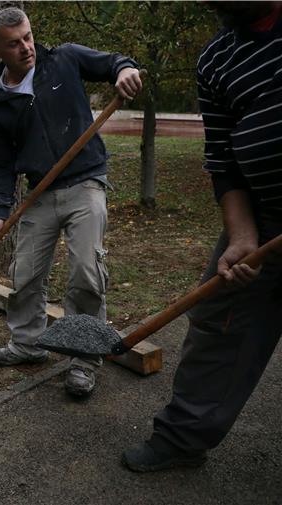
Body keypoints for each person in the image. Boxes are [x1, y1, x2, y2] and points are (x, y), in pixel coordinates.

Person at [122, 1, 282, 471]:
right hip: (264, 215)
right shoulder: (216, 59)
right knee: (219, 323)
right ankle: (182, 437)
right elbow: (223, 159)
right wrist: (241, 235)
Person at [0, 7, 142, 397]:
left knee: (86, 270)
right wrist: (1, 212)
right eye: (14, 44)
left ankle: (83, 360)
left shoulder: (64, 58)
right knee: (25, 275)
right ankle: (27, 345)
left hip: (85, 181)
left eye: (28, 38)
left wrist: (124, 71)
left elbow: (114, 63)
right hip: (39, 193)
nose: (26, 48)